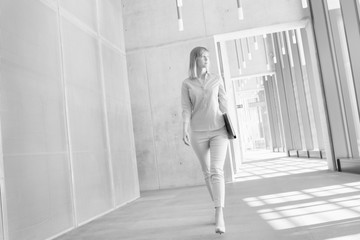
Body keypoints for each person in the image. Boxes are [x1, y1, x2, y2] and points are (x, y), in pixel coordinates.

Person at [181, 46, 229, 234]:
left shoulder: (217, 79)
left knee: (217, 170)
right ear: (195, 60)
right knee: (207, 172)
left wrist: (227, 117)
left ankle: (219, 214)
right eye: (202, 57)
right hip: (198, 132)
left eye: (208, 57)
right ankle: (217, 205)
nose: (207, 60)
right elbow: (186, 109)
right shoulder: (187, 84)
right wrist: (184, 128)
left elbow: (224, 102)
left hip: (219, 130)